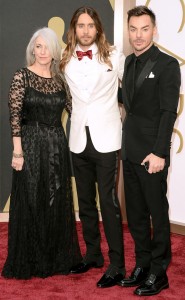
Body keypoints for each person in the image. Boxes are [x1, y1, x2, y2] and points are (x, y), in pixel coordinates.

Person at [2, 27, 82, 279]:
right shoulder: (22, 76)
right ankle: (31, 259)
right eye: (38, 46)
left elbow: (76, 108)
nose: (43, 51)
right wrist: (18, 152)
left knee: (55, 199)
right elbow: (15, 116)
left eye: (47, 46)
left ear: (54, 50)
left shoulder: (60, 80)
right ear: (32, 49)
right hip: (31, 144)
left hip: (56, 144)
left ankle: (55, 257)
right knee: (32, 199)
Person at [60, 6, 125, 288]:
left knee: (108, 204)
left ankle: (117, 264)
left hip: (107, 139)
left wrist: (127, 111)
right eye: (80, 25)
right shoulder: (64, 61)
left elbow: (132, 88)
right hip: (77, 139)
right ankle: (93, 255)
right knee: (85, 202)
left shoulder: (114, 55)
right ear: (73, 29)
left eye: (90, 25)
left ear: (98, 28)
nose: (85, 30)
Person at [118, 5, 181, 296]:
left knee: (157, 212)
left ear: (154, 30)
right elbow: (126, 103)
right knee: (137, 215)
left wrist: (160, 153)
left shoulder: (167, 65)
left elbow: (169, 113)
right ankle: (142, 265)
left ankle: (159, 272)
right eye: (133, 29)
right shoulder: (128, 62)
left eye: (144, 29)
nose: (138, 35)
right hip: (129, 151)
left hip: (152, 156)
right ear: (128, 30)